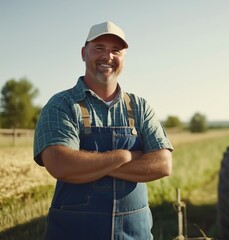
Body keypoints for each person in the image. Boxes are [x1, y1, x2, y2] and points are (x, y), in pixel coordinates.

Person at [33, 21, 173, 240]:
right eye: (99, 48)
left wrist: (88, 166)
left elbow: (163, 165)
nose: (108, 56)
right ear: (83, 53)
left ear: (123, 58)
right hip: (75, 233)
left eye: (115, 50)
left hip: (134, 233)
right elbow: (59, 164)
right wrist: (123, 156)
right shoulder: (62, 104)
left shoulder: (139, 106)